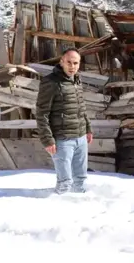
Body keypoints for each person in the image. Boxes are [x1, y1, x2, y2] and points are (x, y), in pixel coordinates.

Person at [36, 48, 93, 194]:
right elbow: (42, 113)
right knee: (65, 183)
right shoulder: (51, 82)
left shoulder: (77, 80)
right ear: (62, 62)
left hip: (80, 137)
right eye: (69, 62)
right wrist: (47, 140)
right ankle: (60, 208)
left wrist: (87, 129)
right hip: (62, 139)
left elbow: (81, 107)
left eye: (76, 63)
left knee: (80, 181)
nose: (72, 66)